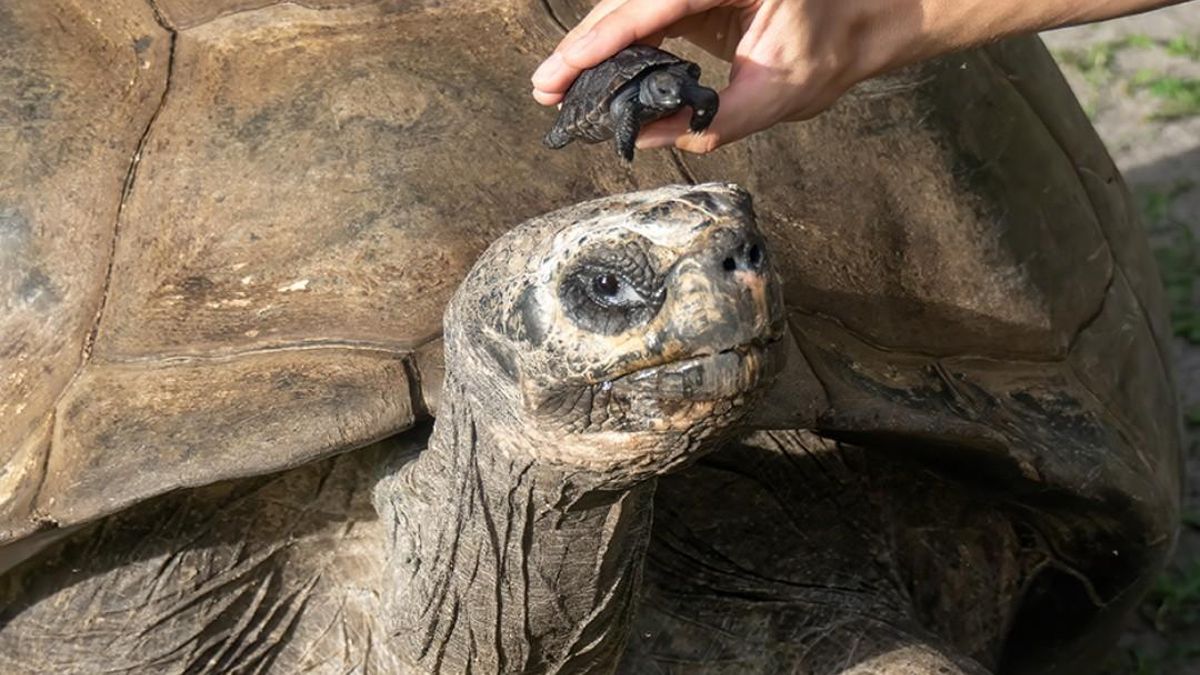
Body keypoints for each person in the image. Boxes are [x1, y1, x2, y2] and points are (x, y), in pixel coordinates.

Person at [531, 0, 1188, 154]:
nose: (680, 90)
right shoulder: (631, 98)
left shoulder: (674, 83)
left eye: (679, 85)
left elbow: (692, 93)